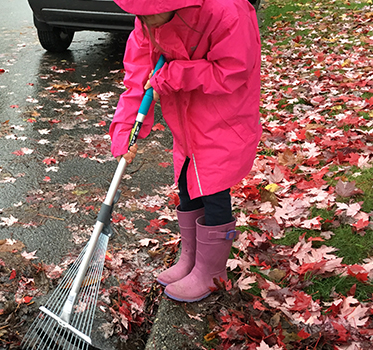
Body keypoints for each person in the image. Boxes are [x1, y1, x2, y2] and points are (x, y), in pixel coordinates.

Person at [109, 0, 262, 302]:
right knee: (186, 179)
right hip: (185, 116)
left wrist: (175, 75)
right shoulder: (147, 21)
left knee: (213, 186)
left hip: (223, 115)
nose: (143, 21)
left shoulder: (227, 12)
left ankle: (211, 271)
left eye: (150, 13)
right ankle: (191, 259)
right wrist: (125, 129)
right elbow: (139, 76)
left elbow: (233, 69)